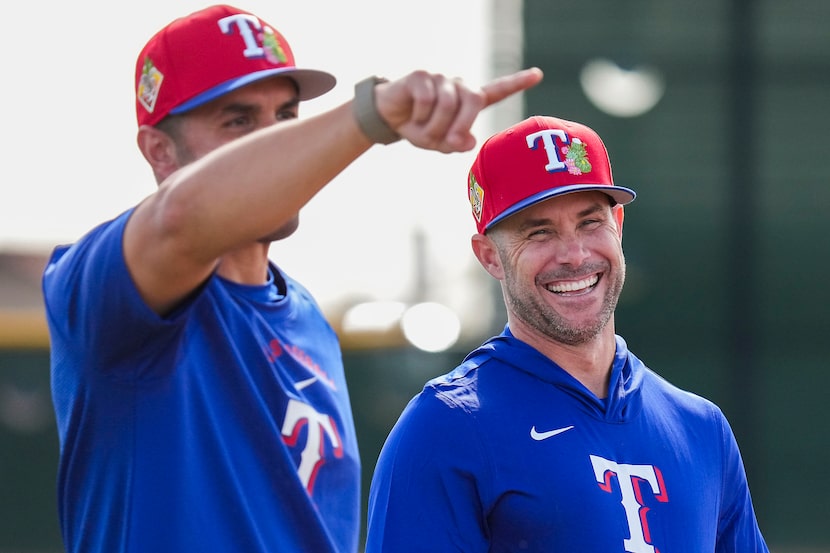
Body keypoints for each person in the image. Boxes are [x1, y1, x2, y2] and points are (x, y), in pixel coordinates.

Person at [41, 4, 543, 552]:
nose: (273, 139)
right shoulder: (99, 285)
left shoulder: (306, 317)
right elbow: (179, 219)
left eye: (285, 116)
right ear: (161, 152)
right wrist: (371, 114)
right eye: (239, 121)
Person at [365, 115, 769, 552]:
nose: (575, 255)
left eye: (590, 222)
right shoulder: (445, 427)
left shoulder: (701, 428)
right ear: (490, 257)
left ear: (619, 224)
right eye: (539, 231)